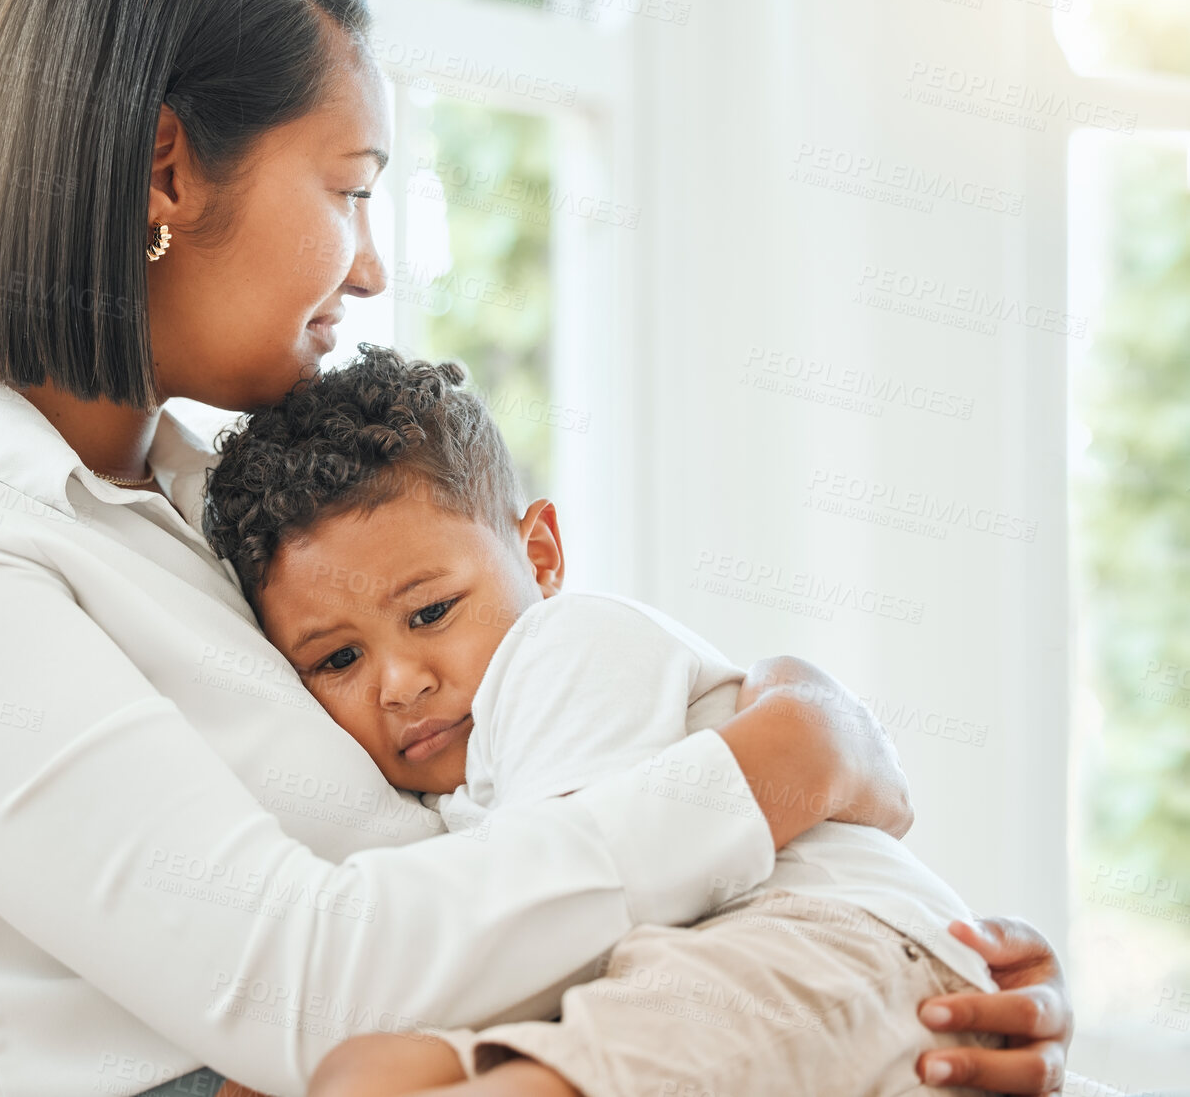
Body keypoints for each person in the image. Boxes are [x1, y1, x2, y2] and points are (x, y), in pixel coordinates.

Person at [0, 0, 1073, 1095]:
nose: (371, 269)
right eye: (351, 189)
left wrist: (900, 959)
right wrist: (780, 767)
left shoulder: (220, 515)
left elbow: (504, 829)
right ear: (165, 169)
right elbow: (305, 985)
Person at [201, 345, 1021, 1096]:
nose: (402, 684)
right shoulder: (436, 795)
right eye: (338, 661)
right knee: (364, 1073)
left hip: (830, 941)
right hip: (671, 974)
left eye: (432, 611)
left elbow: (558, 916)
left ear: (542, 557)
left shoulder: (562, 648)